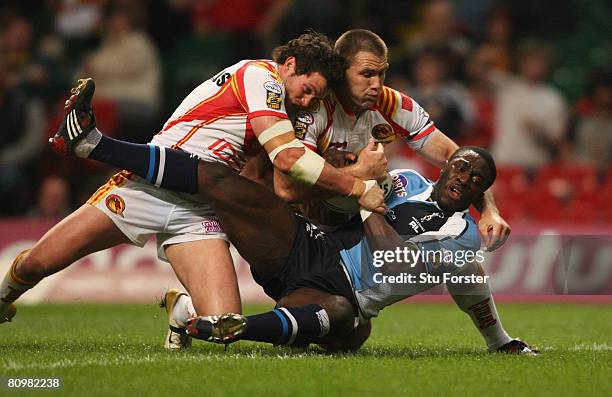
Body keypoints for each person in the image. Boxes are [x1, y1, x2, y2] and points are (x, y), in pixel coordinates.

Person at [0, 32, 386, 339]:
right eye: (306, 88)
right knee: (36, 263)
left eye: (316, 96)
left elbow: (276, 178)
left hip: (200, 208)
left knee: (224, 322)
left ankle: (179, 311)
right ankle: (3, 298)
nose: (307, 99)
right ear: (288, 65)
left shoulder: (290, 105)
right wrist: (355, 184)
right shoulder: (261, 76)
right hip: (149, 185)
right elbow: (287, 159)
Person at [116, 143, 537, 354]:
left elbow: (396, 263)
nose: (464, 177)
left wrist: (499, 341)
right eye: (460, 166)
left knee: (343, 321)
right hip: (307, 247)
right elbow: (337, 205)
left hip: (340, 293)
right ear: (446, 167)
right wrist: (342, 173)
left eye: (476, 178)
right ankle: (102, 146)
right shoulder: (406, 180)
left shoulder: (463, 240)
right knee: (226, 181)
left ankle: (213, 324)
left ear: (481, 192)